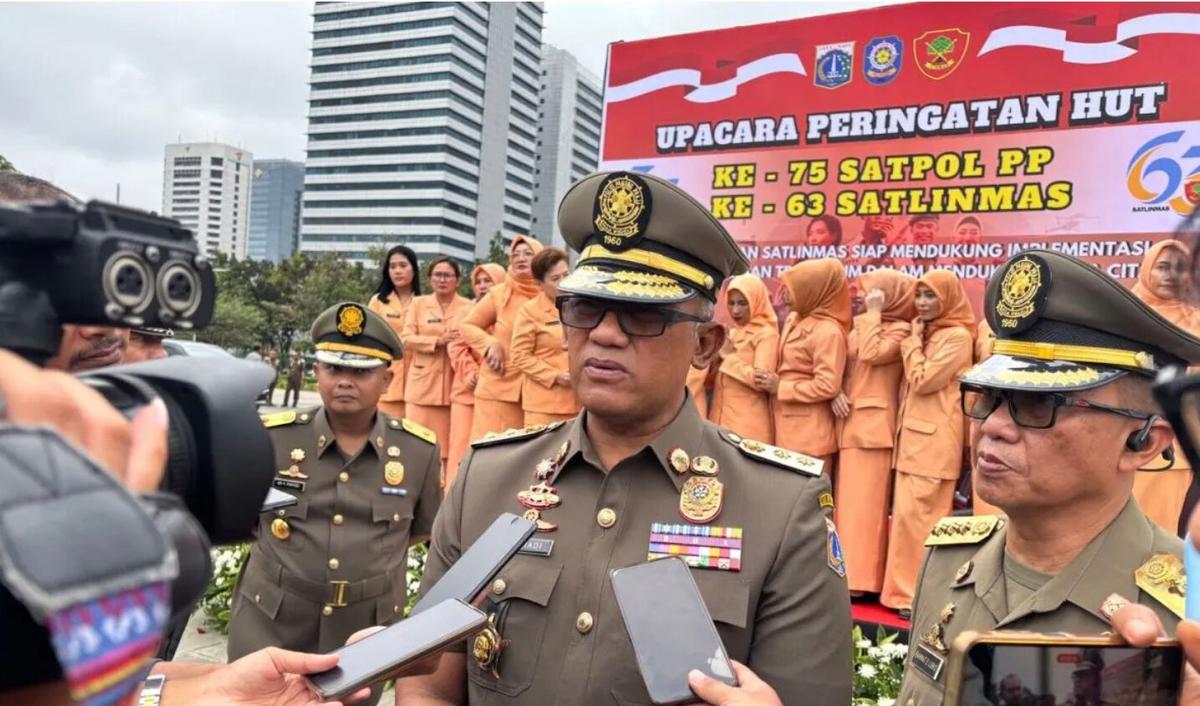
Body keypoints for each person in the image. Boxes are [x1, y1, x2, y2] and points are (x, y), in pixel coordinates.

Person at [393, 171, 852, 705]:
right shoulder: (489, 478)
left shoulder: (780, 506)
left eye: (642, 315)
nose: (606, 334)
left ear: (705, 344)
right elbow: (428, 685)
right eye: (585, 309)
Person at [685, 250, 1200, 706]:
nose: (994, 425)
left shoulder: (1187, 608)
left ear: (1145, 442)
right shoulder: (950, 559)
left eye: (1039, 403)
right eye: (989, 397)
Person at [227, 302, 442, 706]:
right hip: (272, 621)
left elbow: (420, 530)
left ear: (388, 379)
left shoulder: (417, 451)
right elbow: (246, 519)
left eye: (361, 371)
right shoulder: (273, 439)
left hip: (362, 634)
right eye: (334, 368)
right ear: (316, 372)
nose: (345, 381)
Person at [881, 268, 976, 616]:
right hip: (915, 443)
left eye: (930, 295)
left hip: (933, 445)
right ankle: (904, 593)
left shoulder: (956, 338)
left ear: (947, 298)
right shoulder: (929, 333)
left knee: (922, 522)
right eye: (919, 295)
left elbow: (923, 380)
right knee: (907, 521)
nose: (921, 303)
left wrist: (909, 343)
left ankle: (914, 596)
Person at [833, 268, 915, 598]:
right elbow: (852, 364)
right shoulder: (867, 325)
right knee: (848, 506)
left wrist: (874, 313)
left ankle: (860, 580)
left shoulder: (899, 331)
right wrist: (836, 390)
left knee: (864, 508)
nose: (865, 298)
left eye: (873, 292)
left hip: (873, 427)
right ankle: (846, 573)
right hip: (848, 422)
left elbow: (870, 354)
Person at [1131, 239, 1200, 533]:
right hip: (1122, 444)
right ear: (1146, 269)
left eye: (1180, 269)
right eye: (1162, 267)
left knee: (1167, 541)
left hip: (1181, 455)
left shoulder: (1196, 322)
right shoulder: (1123, 319)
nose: (1171, 275)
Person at [756, 258, 850, 472]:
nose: (784, 295)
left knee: (810, 500)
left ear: (811, 290)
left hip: (809, 436)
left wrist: (781, 388)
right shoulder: (793, 319)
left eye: (792, 289)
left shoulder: (828, 331)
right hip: (785, 427)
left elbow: (828, 385)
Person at [459, 235, 544, 439]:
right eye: (515, 255)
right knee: (491, 451)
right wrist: (490, 343)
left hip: (538, 390)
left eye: (527, 254)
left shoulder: (550, 295)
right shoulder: (498, 294)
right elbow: (467, 325)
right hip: (498, 386)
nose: (520, 258)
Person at [402, 257, 472, 469]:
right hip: (422, 386)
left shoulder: (469, 306)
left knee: (447, 448)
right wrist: (436, 341)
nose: (442, 279)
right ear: (430, 279)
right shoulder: (418, 304)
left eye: (448, 275)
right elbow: (405, 338)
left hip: (454, 386)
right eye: (437, 275)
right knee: (416, 445)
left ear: (458, 280)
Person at [445, 263, 506, 488]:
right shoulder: (465, 313)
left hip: (495, 392)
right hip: (465, 392)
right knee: (460, 449)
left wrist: (484, 374)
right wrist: (470, 372)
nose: (482, 286)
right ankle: (452, 497)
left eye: (487, 281)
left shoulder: (506, 313)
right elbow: (456, 347)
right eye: (478, 282)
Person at [510, 247, 580, 426]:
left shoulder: (582, 307)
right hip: (544, 405)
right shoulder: (530, 311)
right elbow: (519, 356)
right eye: (555, 279)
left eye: (566, 274)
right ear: (539, 284)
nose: (564, 282)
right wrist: (555, 376)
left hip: (580, 403)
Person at [709, 273, 778, 442]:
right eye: (731, 303)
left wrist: (729, 357)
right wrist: (714, 359)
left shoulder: (766, 334)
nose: (735, 310)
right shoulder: (732, 332)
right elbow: (712, 381)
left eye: (742, 303)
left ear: (756, 300)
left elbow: (761, 381)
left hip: (748, 426)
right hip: (719, 421)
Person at [368, 244, 421, 419]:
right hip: (386, 377)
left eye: (403, 266)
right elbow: (370, 336)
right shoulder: (378, 302)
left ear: (414, 269)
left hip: (418, 381)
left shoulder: (424, 302)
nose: (398, 271)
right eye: (393, 266)